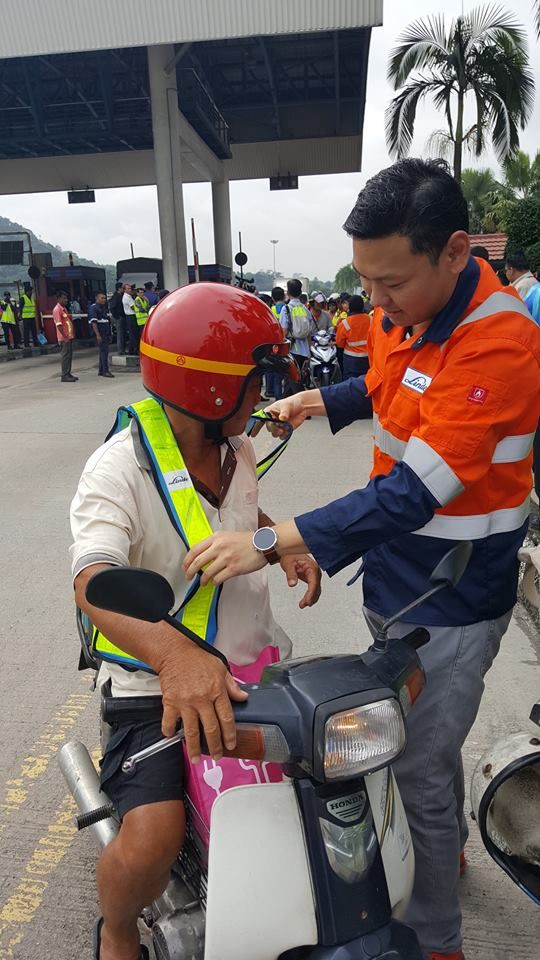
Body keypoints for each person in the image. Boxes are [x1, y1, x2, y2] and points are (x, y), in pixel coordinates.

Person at [181, 159, 540, 960]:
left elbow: (414, 495)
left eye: (390, 284)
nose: (373, 301)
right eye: (367, 282)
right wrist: (321, 399)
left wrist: (269, 542)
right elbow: (386, 380)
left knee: (415, 765)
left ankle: (437, 936)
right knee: (416, 747)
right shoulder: (406, 307)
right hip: (395, 580)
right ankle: (438, 845)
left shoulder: (500, 343)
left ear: (455, 252)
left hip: (452, 595)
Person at [70, 283, 321, 960]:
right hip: (155, 692)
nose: (265, 391)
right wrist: (175, 658)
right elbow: (92, 581)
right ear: (211, 391)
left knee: (327, 793)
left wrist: (281, 545)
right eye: (256, 377)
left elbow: (239, 510)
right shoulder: (116, 469)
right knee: (153, 835)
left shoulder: (236, 447)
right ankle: (119, 929)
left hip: (253, 673)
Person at [280, 279, 315, 371]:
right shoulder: (305, 309)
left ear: (288, 292)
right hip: (305, 351)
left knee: (291, 382)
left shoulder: (286, 309)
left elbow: (284, 330)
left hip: (292, 352)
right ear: (300, 293)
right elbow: (309, 333)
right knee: (302, 380)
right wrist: (309, 352)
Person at [335, 293, 371, 378]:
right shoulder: (371, 319)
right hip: (369, 358)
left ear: (349, 307)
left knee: (350, 385)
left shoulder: (345, 323)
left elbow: (339, 343)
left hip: (351, 360)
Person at [53, 290, 77, 382]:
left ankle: (68, 373)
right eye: (64, 298)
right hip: (64, 338)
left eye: (66, 298)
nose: (66, 300)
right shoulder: (57, 310)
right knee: (65, 356)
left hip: (69, 336)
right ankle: (64, 375)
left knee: (69, 356)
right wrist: (65, 336)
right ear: (58, 299)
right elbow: (58, 325)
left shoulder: (64, 309)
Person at [89, 292, 114, 378]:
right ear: (97, 298)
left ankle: (101, 370)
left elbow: (107, 321)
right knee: (104, 351)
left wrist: (110, 334)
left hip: (105, 331)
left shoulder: (103, 307)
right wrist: (97, 335)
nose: (104, 300)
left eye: (104, 298)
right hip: (100, 332)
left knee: (103, 351)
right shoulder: (93, 308)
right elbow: (94, 322)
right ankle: (105, 371)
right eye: (102, 298)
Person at [20, 282, 39, 348]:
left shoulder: (31, 298)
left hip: (32, 317)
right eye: (30, 291)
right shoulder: (23, 298)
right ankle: (26, 344)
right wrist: (20, 316)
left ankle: (35, 343)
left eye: (31, 291)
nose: (31, 292)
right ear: (27, 292)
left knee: (34, 331)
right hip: (26, 318)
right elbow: (21, 308)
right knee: (26, 332)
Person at [109, 281, 127, 354]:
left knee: (123, 333)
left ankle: (122, 349)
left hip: (122, 316)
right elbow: (112, 308)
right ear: (119, 288)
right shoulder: (116, 297)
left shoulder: (121, 296)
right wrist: (117, 317)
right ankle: (120, 350)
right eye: (123, 288)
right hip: (118, 317)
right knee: (120, 334)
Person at [132, 287, 149, 354]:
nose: (142, 294)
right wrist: (147, 310)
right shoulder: (137, 300)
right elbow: (142, 309)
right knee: (141, 336)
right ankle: (140, 350)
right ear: (137, 293)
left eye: (143, 292)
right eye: (140, 292)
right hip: (141, 321)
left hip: (145, 320)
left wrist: (147, 301)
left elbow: (147, 306)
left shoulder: (144, 299)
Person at [122, 283, 138, 356]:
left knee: (133, 334)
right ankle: (133, 350)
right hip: (131, 316)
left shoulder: (129, 296)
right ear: (124, 290)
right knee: (133, 334)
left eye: (130, 288)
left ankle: (131, 350)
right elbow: (133, 307)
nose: (130, 290)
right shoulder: (126, 297)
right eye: (128, 288)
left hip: (132, 316)